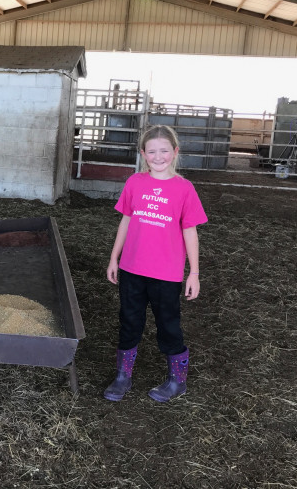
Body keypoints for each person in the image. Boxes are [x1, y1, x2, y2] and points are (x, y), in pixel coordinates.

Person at [104, 124, 207, 403]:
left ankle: (177, 381)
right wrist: (115, 257)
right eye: (152, 151)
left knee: (168, 326)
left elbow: (190, 231)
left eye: (164, 151)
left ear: (175, 152)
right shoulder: (135, 182)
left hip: (166, 274)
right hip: (132, 269)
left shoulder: (184, 189)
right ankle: (123, 376)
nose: (158, 156)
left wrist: (194, 273)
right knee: (129, 322)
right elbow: (126, 219)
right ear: (143, 154)